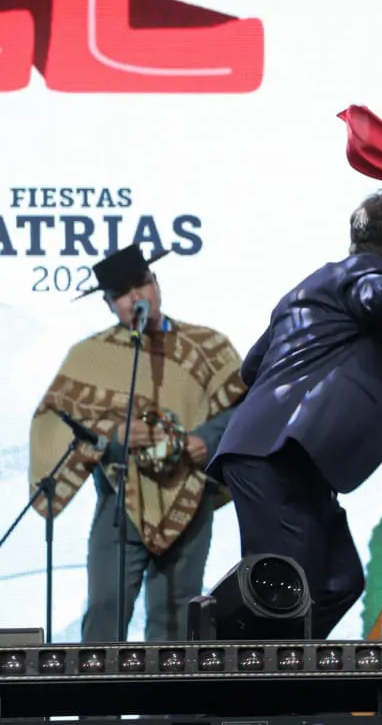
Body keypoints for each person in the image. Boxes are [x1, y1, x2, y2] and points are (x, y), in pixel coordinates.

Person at [210, 189, 382, 638]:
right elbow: (379, 296)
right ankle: (239, 674)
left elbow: (251, 368)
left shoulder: (312, 288)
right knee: (286, 593)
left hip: (293, 462)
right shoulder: (361, 275)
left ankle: (285, 674)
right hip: (275, 459)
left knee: (338, 582)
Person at [28, 244, 245, 642]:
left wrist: (208, 439)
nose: (136, 298)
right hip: (120, 501)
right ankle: (97, 707)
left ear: (156, 284)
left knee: (178, 621)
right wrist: (112, 437)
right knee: (105, 612)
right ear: (110, 305)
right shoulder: (91, 356)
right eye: (122, 294)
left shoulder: (208, 346)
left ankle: (166, 707)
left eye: (141, 285)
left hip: (188, 497)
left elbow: (247, 408)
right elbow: (56, 419)